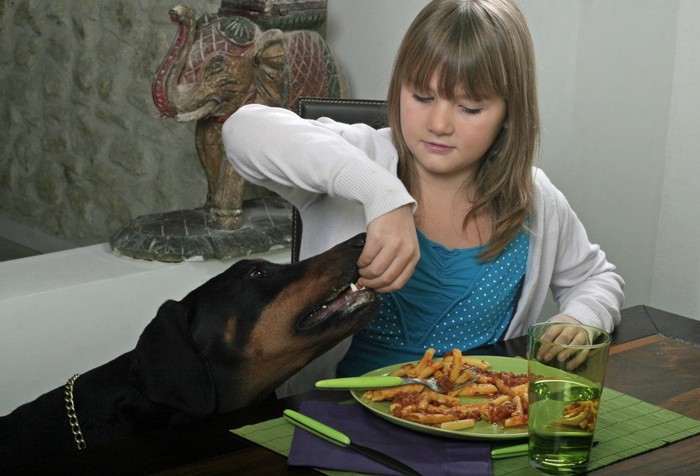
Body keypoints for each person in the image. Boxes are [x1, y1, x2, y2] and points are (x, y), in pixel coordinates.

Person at [222, 0, 624, 396]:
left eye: (470, 107)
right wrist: (382, 194)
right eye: (422, 97)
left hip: (476, 425)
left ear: (509, 112)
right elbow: (243, 130)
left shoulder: (536, 200)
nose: (438, 124)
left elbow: (595, 278)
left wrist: (580, 317)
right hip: (339, 423)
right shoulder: (358, 159)